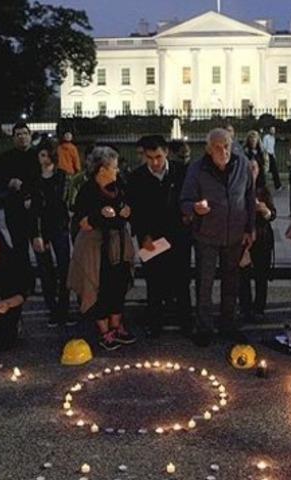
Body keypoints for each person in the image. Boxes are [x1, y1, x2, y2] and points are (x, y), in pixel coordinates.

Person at [180, 128, 255, 347]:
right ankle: (204, 327)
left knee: (231, 282)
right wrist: (194, 208)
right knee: (205, 283)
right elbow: (184, 200)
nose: (223, 151)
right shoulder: (197, 169)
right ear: (208, 148)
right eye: (218, 147)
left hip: (234, 235)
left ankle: (227, 324)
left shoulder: (243, 165)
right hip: (207, 236)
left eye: (227, 146)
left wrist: (250, 228)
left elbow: (250, 198)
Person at [67, 146, 137, 350]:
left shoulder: (119, 185)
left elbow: (129, 207)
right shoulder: (88, 190)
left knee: (119, 283)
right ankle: (104, 330)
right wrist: (99, 216)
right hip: (96, 245)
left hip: (119, 243)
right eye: (113, 167)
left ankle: (116, 325)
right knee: (100, 285)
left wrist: (127, 211)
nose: (117, 171)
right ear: (101, 170)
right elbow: (82, 221)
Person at [127, 135, 191, 337]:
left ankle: (185, 319)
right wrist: (144, 235)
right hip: (150, 236)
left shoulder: (181, 172)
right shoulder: (137, 177)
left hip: (178, 234)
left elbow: (188, 198)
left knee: (181, 278)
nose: (155, 162)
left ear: (166, 153)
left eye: (158, 157)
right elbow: (135, 209)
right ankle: (155, 321)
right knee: (154, 280)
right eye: (150, 157)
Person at [28, 140, 73, 327]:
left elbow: (64, 202)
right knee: (45, 270)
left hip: (59, 226)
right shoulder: (34, 179)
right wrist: (37, 233)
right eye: (41, 155)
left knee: (64, 267)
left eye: (46, 155)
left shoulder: (62, 176)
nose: (43, 159)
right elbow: (33, 209)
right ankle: (52, 310)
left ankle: (64, 308)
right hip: (42, 228)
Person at [0, 122, 38, 277]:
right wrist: (8, 182)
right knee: (19, 248)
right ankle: (26, 279)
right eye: (18, 134)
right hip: (14, 210)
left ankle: (46, 281)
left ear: (30, 136)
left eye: (25, 133)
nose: (22, 137)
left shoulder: (38, 156)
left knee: (40, 246)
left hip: (36, 210)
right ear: (13, 138)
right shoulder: (6, 158)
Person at [239, 157, 276, 323]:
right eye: (248, 167)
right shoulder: (237, 188)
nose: (251, 170)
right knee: (243, 275)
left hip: (262, 236)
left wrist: (265, 210)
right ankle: (245, 308)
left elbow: (272, 214)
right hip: (243, 238)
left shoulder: (263, 190)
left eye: (254, 167)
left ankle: (259, 307)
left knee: (261, 275)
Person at [261, 126, 283, 190]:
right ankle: (263, 185)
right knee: (265, 170)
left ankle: (278, 185)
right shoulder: (266, 137)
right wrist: (265, 155)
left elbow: (272, 148)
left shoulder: (273, 138)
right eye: (271, 130)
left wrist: (274, 155)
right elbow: (264, 147)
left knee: (275, 170)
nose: (273, 131)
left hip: (271, 154)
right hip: (267, 154)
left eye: (274, 130)